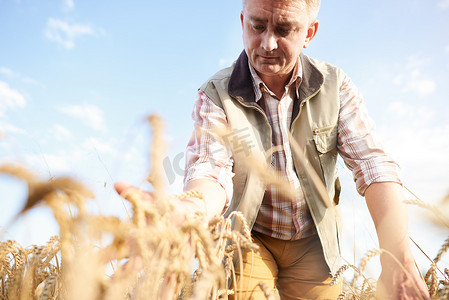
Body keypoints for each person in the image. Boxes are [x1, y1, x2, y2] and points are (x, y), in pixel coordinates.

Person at [116, 0, 431, 298]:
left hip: (314, 242)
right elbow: (209, 171)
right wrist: (189, 210)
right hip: (248, 238)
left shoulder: (335, 86)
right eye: (257, 26)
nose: (267, 43)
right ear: (242, 23)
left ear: (308, 33)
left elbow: (373, 165)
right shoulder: (215, 94)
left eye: (284, 29)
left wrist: (397, 258)